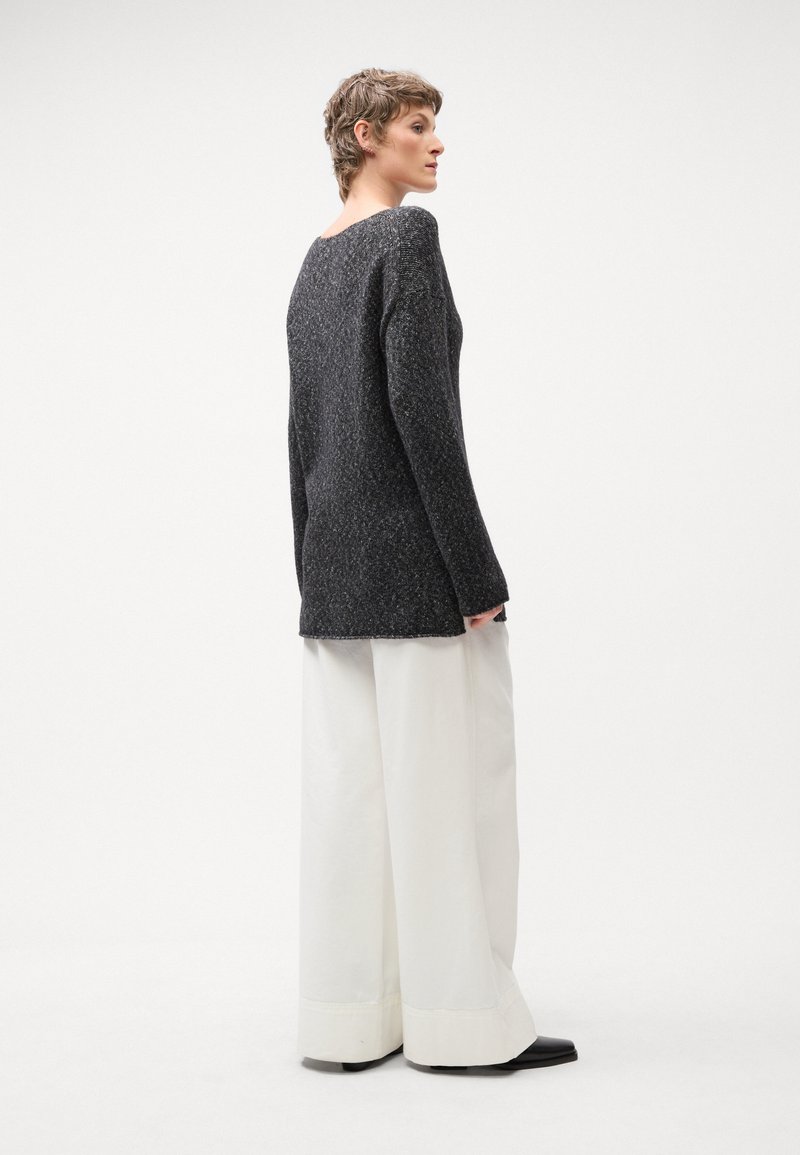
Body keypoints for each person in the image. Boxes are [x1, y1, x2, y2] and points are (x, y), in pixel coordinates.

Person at [286, 67, 578, 1073]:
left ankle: (346, 1022)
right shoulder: (405, 240)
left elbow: (301, 434)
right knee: (450, 795)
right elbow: (423, 417)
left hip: (335, 571)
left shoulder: (314, 261)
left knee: (352, 804)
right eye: (418, 125)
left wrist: (311, 571)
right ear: (368, 136)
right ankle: (462, 1029)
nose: (437, 142)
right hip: (417, 568)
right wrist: (474, 572)